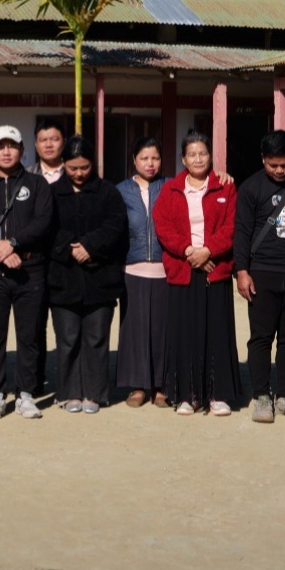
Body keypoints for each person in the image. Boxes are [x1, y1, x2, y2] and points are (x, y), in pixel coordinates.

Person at [0, 125, 56, 420]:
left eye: (12, 146)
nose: (7, 151)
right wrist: (1, 251)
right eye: (1, 146)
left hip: (30, 269)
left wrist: (14, 243)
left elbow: (43, 222)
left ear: (22, 150)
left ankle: (25, 394)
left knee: (29, 336)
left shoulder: (37, 184)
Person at [154, 131, 242, 416]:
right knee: (184, 334)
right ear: (183, 159)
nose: (198, 159)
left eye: (202, 153)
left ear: (210, 156)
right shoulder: (171, 189)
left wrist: (209, 251)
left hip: (215, 269)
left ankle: (218, 394)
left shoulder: (225, 187)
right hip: (182, 269)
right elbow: (163, 226)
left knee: (217, 332)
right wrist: (190, 252)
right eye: (192, 154)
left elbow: (231, 227)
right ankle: (186, 395)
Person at [234, 129, 285, 423]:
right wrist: (242, 271)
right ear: (263, 159)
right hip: (262, 272)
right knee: (261, 338)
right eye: (273, 165)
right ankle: (261, 396)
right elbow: (242, 231)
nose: (280, 170)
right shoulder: (251, 187)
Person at [47, 137, 128, 414]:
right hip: (63, 277)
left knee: (96, 338)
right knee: (67, 338)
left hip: (100, 278)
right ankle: (69, 392)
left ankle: (95, 393)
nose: (79, 173)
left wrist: (90, 246)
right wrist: (70, 247)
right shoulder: (51, 193)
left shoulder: (108, 193)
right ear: (63, 165)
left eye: (84, 167)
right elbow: (46, 227)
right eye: (73, 168)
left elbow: (116, 226)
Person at [116, 138, 172, 408]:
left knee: (163, 329)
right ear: (134, 160)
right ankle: (138, 386)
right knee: (134, 330)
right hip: (132, 268)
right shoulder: (121, 190)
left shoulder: (171, 186)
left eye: (155, 158)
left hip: (165, 268)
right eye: (144, 158)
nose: (150, 164)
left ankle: (161, 385)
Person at [33, 119, 67, 184]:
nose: (48, 145)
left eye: (54, 139)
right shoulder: (26, 175)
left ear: (64, 142)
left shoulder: (73, 174)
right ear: (36, 145)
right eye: (43, 140)